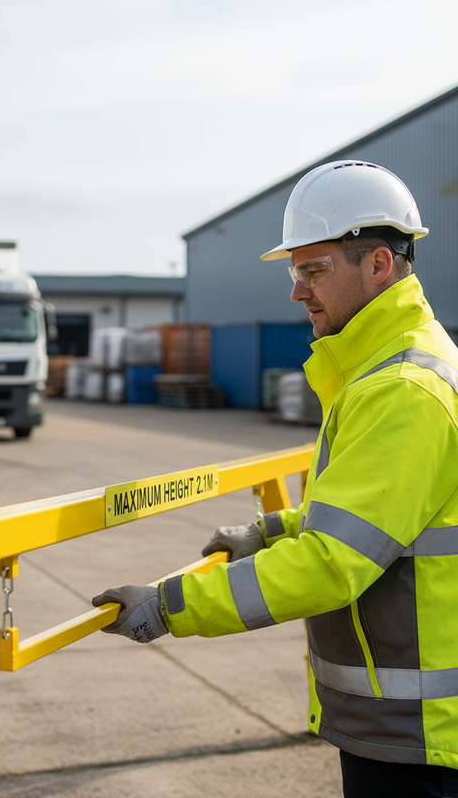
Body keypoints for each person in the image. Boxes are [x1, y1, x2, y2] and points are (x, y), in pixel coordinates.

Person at [92, 160, 458, 797]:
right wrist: (270, 532)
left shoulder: (402, 390)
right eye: (296, 272)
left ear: (379, 264)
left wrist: (172, 605)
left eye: (314, 271)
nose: (297, 291)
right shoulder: (388, 370)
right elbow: (383, 522)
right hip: (410, 727)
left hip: (421, 738)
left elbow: (331, 564)